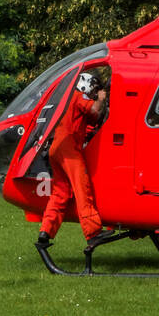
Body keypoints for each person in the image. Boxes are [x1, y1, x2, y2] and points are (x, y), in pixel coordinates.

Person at [37, 71, 111, 249]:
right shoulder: (78, 97)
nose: (94, 95)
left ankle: (45, 231)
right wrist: (101, 99)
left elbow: (93, 117)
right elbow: (93, 109)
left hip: (56, 149)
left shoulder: (67, 98)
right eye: (94, 91)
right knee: (82, 187)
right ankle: (93, 232)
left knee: (60, 193)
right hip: (69, 150)